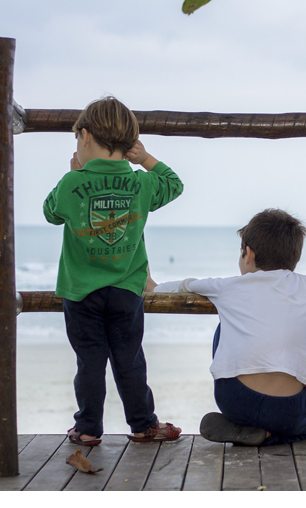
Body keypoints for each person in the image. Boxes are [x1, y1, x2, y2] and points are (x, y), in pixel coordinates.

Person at [43, 96, 184, 446]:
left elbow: (50, 212)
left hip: (81, 292)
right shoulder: (141, 183)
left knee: (89, 363)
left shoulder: (71, 183)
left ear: (86, 136)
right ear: (127, 144)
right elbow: (174, 183)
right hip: (125, 290)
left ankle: (88, 427)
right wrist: (145, 159)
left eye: (78, 139)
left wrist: (74, 173)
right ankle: (143, 424)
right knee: (129, 360)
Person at [150, 209, 306, 446]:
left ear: (248, 254)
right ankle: (272, 437)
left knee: (224, 327)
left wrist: (152, 287)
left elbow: (183, 286)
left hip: (236, 401)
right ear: (295, 258)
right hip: (290, 410)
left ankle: (251, 430)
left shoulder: (226, 287)